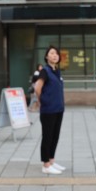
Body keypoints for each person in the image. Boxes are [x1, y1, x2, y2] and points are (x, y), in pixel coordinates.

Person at [35, 46, 65, 175]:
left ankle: (51, 161)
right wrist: (43, 101)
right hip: (48, 110)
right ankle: (45, 164)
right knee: (47, 137)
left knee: (55, 136)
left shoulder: (57, 71)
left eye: (56, 54)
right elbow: (37, 88)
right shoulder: (45, 71)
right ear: (47, 56)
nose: (55, 55)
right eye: (52, 53)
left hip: (58, 109)